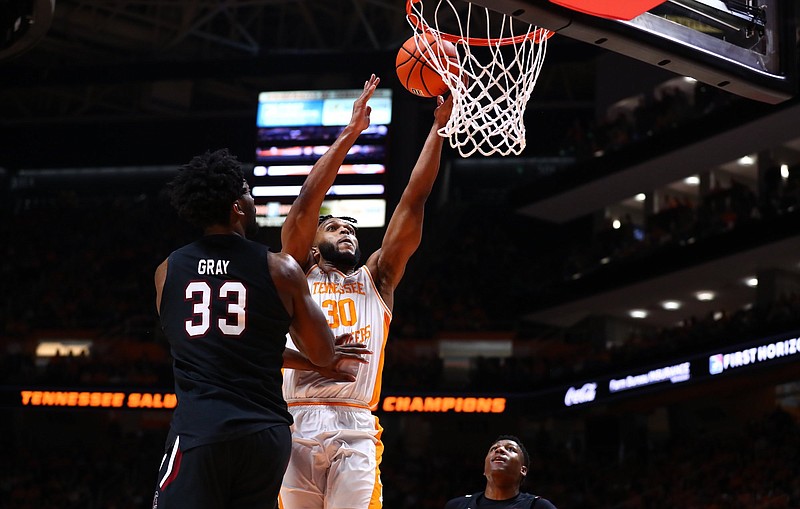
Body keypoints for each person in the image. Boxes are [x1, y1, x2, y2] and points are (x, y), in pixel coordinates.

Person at [151, 148, 367, 509]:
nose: (252, 201)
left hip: (201, 430)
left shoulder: (167, 271)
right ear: (237, 207)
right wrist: (317, 361)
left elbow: (210, 344)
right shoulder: (280, 269)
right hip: (265, 434)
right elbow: (322, 352)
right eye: (248, 193)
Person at [277, 74, 453, 509]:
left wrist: (438, 129)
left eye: (352, 228)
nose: (347, 232)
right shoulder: (295, 272)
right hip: (293, 421)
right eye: (334, 227)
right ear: (314, 244)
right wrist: (351, 133)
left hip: (355, 425)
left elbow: (413, 200)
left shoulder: (378, 278)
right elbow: (304, 205)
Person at [444, 435, 558, 509]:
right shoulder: (456, 506)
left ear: (522, 470)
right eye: (493, 449)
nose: (499, 450)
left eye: (510, 449)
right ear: (485, 469)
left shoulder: (539, 506)